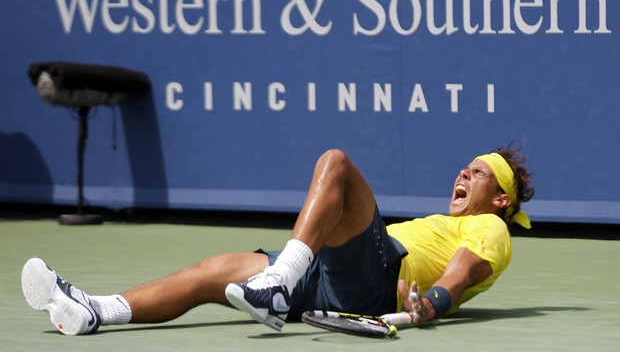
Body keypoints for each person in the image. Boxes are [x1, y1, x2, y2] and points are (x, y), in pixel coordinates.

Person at [21, 146, 534, 336]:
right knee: (209, 275)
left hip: (376, 280)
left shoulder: (490, 229)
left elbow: (462, 273)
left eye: (478, 173)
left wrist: (434, 304)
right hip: (333, 277)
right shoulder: (454, 220)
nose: (462, 175)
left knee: (335, 165)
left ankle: (276, 284)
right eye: (464, 168)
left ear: (501, 201)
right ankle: (94, 311)